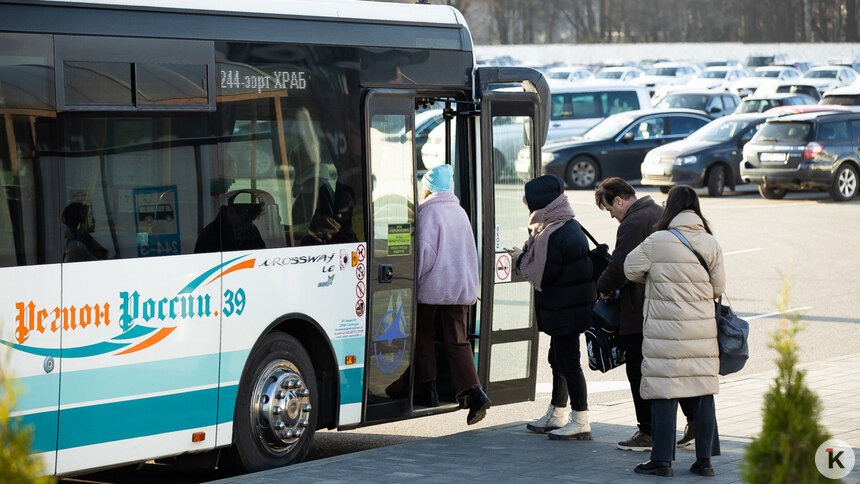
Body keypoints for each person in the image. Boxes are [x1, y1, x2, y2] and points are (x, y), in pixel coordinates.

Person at [623, 185, 725, 477]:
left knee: (664, 393)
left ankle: (662, 462)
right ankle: (704, 462)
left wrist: (655, 275)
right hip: (702, 333)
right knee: (703, 393)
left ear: (671, 209)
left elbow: (630, 269)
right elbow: (718, 288)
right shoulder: (710, 242)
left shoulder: (658, 241)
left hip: (664, 333)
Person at [594, 177, 696, 452]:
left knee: (638, 370)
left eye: (609, 209)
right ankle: (695, 421)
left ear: (618, 200)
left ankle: (648, 432)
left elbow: (621, 266)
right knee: (671, 369)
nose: (612, 216)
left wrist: (602, 287)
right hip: (667, 309)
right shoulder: (659, 213)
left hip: (641, 310)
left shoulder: (632, 222)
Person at [511, 174, 596, 441]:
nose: (526, 206)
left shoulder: (556, 232)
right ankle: (557, 412)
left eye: (529, 201)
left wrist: (520, 259)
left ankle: (580, 419)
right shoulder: (557, 225)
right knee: (557, 360)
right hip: (565, 307)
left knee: (568, 363)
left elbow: (545, 273)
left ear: (542, 202)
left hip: (566, 310)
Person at [413, 163, 491, 425]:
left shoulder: (427, 213)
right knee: (458, 341)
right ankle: (476, 393)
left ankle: (430, 390)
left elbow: (423, 254)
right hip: (459, 289)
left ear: (427, 188)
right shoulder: (459, 212)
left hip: (432, 289)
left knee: (422, 335)